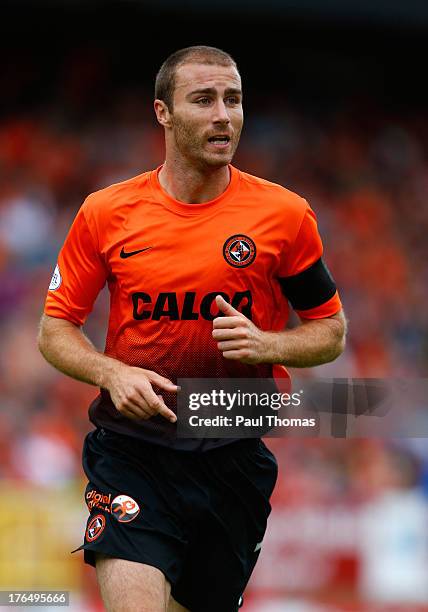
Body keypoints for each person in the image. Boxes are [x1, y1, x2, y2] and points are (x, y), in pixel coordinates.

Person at [38, 46, 346, 612]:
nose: (223, 115)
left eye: (233, 100)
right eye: (203, 100)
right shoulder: (106, 212)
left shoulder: (285, 215)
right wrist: (112, 372)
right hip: (134, 450)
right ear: (163, 113)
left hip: (234, 454)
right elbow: (55, 328)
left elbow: (330, 331)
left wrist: (269, 344)